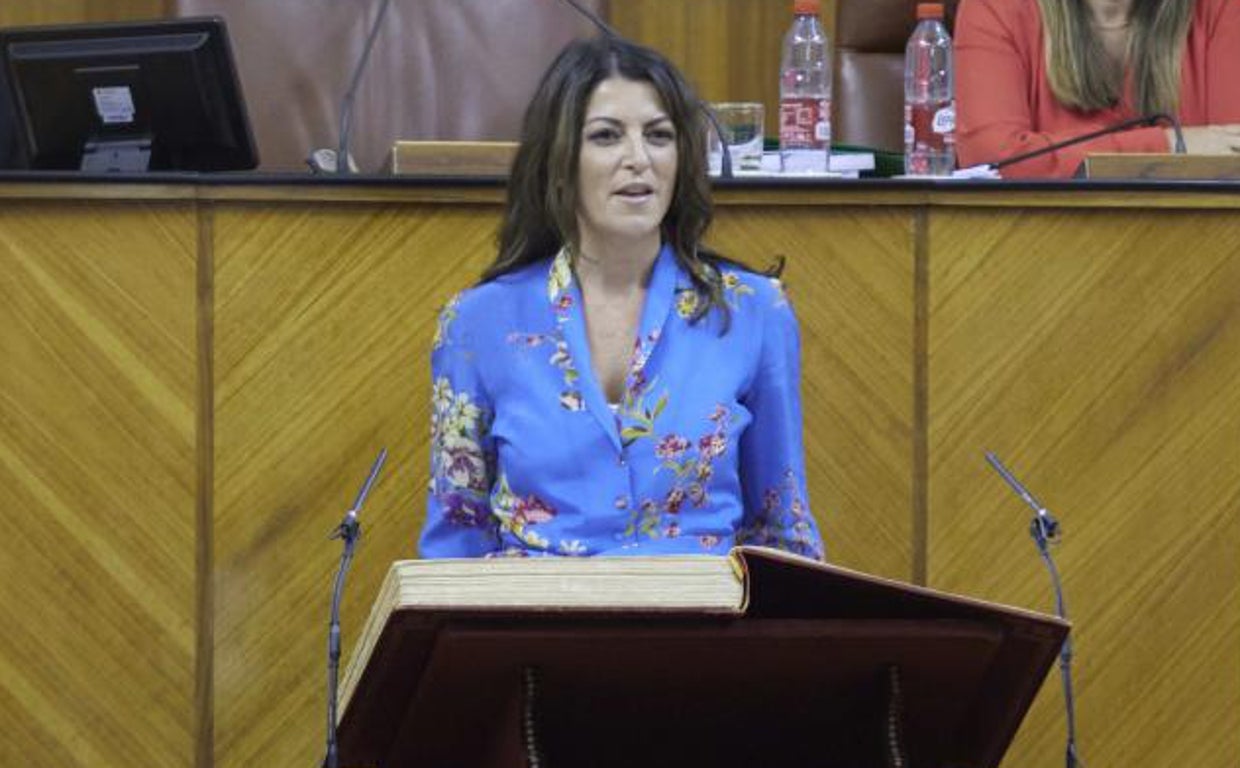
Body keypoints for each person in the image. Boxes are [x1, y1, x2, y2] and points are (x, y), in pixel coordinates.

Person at [419, 35, 825, 560]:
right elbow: (456, 539)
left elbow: (781, 532)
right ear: (560, 160)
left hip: (700, 631)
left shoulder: (753, 311)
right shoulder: (476, 324)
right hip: (534, 631)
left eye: (658, 136)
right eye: (607, 136)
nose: (639, 159)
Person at [955, 0, 1240, 178]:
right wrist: (1169, 146)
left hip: (1196, 252)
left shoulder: (1221, 8)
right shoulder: (995, 8)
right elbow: (989, 164)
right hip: (1036, 250)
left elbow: (1233, 153)